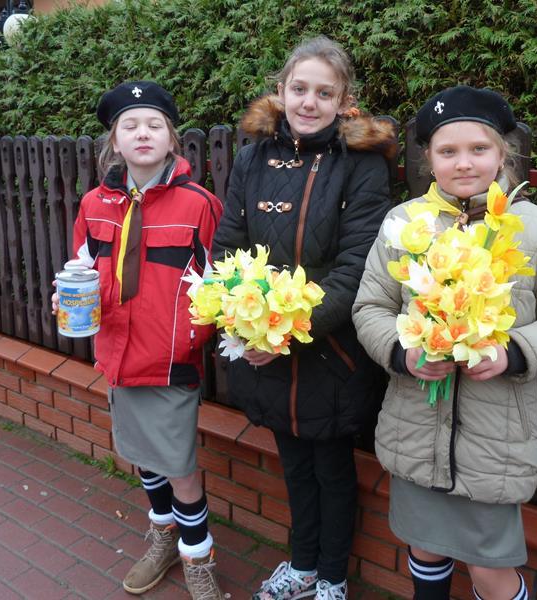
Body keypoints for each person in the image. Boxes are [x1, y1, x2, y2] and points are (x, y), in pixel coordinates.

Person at [351, 85, 537, 600]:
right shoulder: (403, 224)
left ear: (502, 154)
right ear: (429, 159)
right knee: (425, 549)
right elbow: (370, 307)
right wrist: (403, 352)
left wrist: (513, 353)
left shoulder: (535, 229)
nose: (463, 163)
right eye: (448, 151)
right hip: (416, 433)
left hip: (494, 444)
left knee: (490, 570)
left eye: (478, 149)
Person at [210, 36, 395, 600]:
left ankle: (332, 578)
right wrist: (244, 325)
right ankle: (303, 566)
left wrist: (283, 331)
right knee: (293, 463)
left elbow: (357, 266)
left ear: (343, 100)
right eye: (299, 89)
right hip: (263, 349)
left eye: (324, 93)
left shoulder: (361, 164)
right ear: (282, 90)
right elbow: (228, 248)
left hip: (329, 351)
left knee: (333, 470)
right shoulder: (252, 158)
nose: (309, 102)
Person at [50, 81, 225, 600]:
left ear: (172, 139)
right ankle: (163, 537)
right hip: (118, 355)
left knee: (180, 469)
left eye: (154, 125)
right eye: (130, 125)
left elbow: (220, 285)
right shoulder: (94, 204)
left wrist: (197, 335)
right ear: (115, 141)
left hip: (171, 360)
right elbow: (82, 268)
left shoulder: (200, 205)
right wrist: (66, 295)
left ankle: (198, 557)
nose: (142, 133)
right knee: (143, 458)